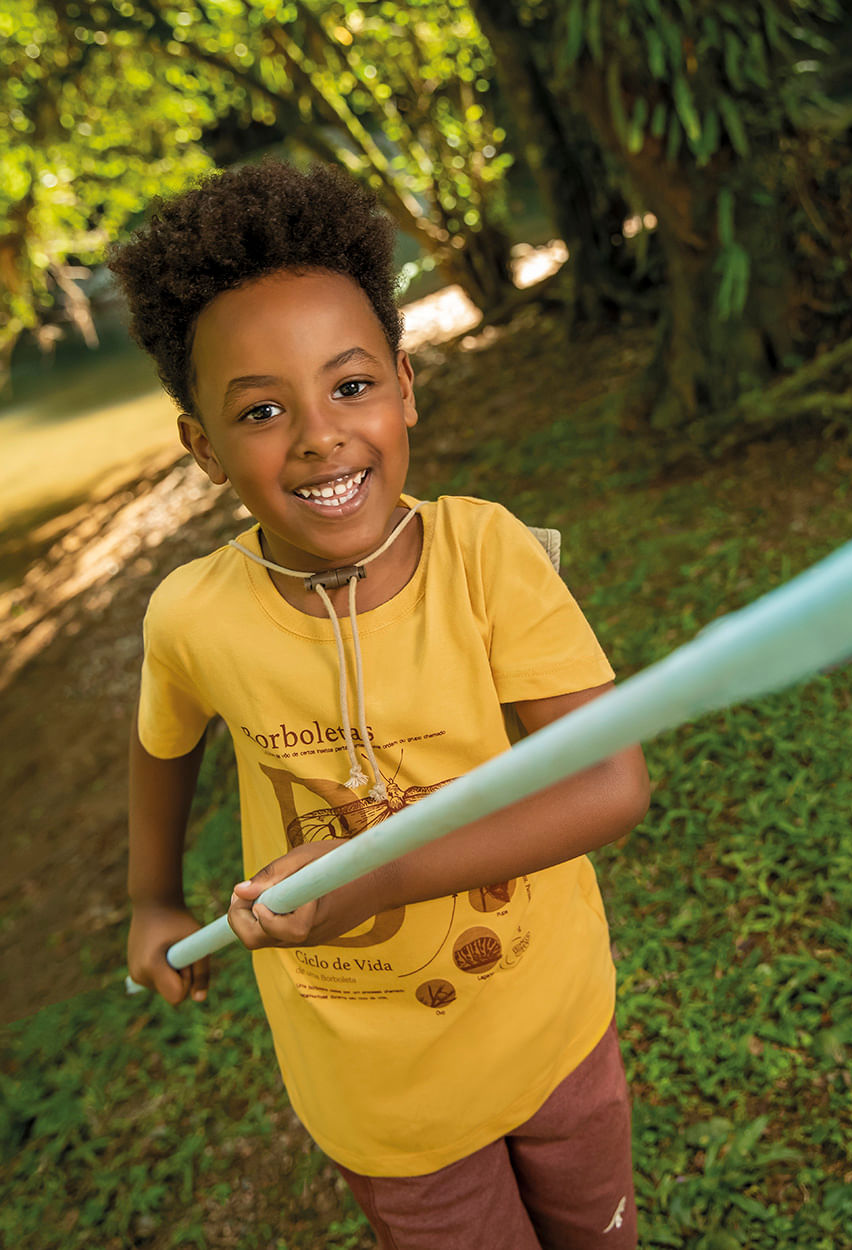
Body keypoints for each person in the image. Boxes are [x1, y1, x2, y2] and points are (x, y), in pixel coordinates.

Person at [113, 160, 650, 1250]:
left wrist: (380, 876)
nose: (319, 435)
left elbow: (608, 782)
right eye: (262, 409)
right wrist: (151, 901)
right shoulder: (192, 617)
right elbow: (160, 747)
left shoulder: (487, 553)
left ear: (405, 385)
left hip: (551, 1018)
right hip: (377, 1088)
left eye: (350, 385)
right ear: (204, 448)